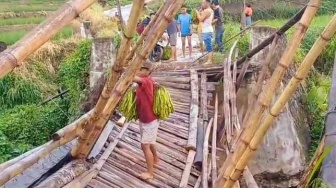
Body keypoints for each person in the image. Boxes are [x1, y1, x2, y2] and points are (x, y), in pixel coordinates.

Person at [133, 60, 159, 180]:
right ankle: (156, 159)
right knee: (150, 141)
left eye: (140, 69)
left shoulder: (145, 81)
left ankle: (150, 173)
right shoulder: (147, 81)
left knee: (145, 146)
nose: (138, 71)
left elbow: (132, 78)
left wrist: (124, 72)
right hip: (145, 118)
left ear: (147, 71)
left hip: (149, 120)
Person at [196, 0, 214, 65]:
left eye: (203, 3)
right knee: (209, 45)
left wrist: (198, 13)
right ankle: (210, 60)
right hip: (208, 29)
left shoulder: (207, 11)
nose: (202, 4)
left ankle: (209, 61)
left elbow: (200, 19)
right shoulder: (210, 10)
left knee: (209, 46)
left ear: (208, 3)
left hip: (207, 30)